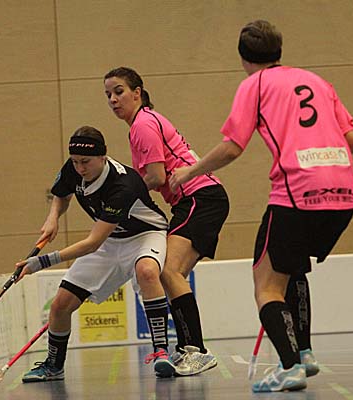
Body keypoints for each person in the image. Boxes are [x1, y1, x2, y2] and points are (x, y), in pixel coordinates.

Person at [169, 20, 353, 392]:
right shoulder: (317, 81)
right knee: (292, 268)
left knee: (266, 285)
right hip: (344, 194)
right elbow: (351, 139)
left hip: (296, 193)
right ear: (279, 50)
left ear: (243, 57)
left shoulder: (254, 85)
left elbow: (232, 148)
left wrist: (189, 171)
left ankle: (290, 367)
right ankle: (304, 352)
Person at [18, 126, 174, 381]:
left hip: (144, 236)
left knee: (146, 271)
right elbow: (61, 194)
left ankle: (161, 352)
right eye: (75, 161)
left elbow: (92, 243)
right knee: (60, 305)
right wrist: (53, 217)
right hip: (110, 241)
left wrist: (42, 262)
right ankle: (53, 366)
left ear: (103, 156)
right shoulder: (74, 168)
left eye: (86, 162)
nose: (80, 168)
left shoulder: (123, 184)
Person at [104, 67, 230, 376]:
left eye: (119, 91)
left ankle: (197, 350)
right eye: (108, 95)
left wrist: (121, 199)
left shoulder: (143, 124)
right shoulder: (142, 124)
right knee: (172, 275)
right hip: (196, 200)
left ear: (137, 93)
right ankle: (187, 348)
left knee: (168, 271)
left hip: (199, 197)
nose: (113, 100)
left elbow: (157, 176)